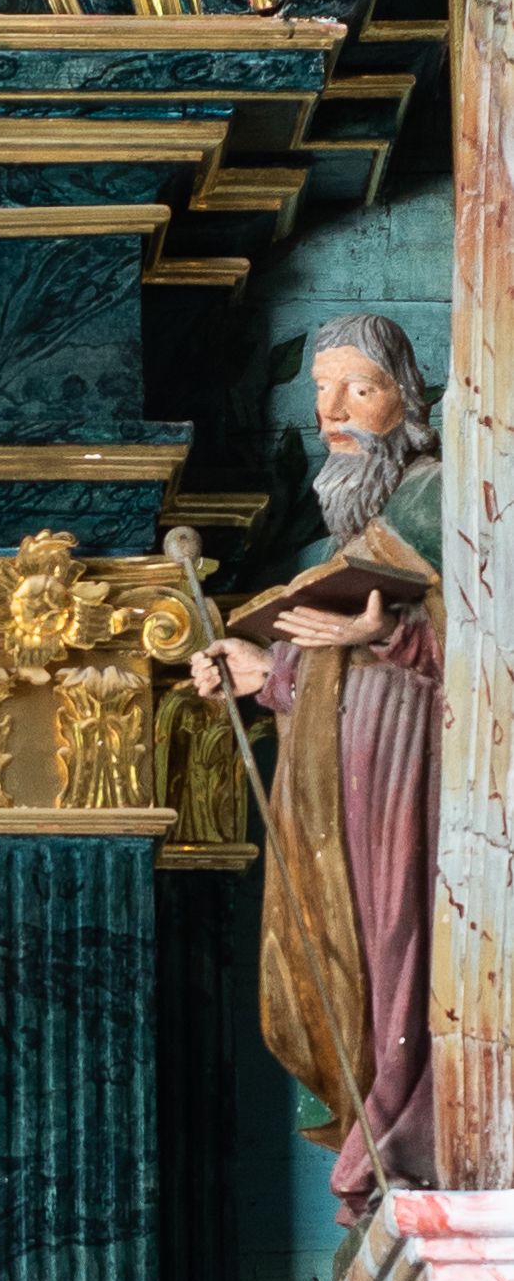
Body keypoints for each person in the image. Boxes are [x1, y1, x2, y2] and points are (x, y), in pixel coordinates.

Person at [190, 310, 444, 1213]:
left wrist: (390, 635)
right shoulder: (363, 523)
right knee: (362, 952)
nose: (332, 411)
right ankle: (386, 1120)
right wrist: (268, 672)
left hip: (418, 780)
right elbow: (341, 667)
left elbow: (485, 640)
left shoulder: (438, 498)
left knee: (405, 943)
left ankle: (413, 1122)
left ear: (406, 400)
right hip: (355, 790)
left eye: (359, 389)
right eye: (321, 389)